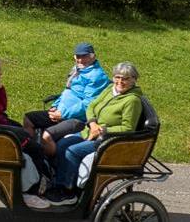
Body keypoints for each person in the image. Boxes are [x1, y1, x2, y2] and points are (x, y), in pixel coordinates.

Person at [41, 61, 143, 202]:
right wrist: (93, 123)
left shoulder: (132, 101)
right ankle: (59, 182)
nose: (120, 81)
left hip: (106, 140)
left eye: (125, 78)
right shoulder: (110, 89)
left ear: (134, 80)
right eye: (117, 77)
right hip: (91, 131)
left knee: (72, 151)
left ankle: (68, 192)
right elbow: (92, 106)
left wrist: (102, 130)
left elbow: (128, 128)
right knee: (62, 144)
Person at [22, 42, 109, 156]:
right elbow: (67, 91)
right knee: (29, 119)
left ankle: (50, 166)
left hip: (78, 118)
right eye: (78, 57)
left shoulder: (96, 76)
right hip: (60, 112)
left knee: (46, 136)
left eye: (85, 56)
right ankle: (31, 155)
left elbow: (87, 104)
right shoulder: (77, 69)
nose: (81, 60)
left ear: (93, 56)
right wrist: (55, 106)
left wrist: (63, 113)